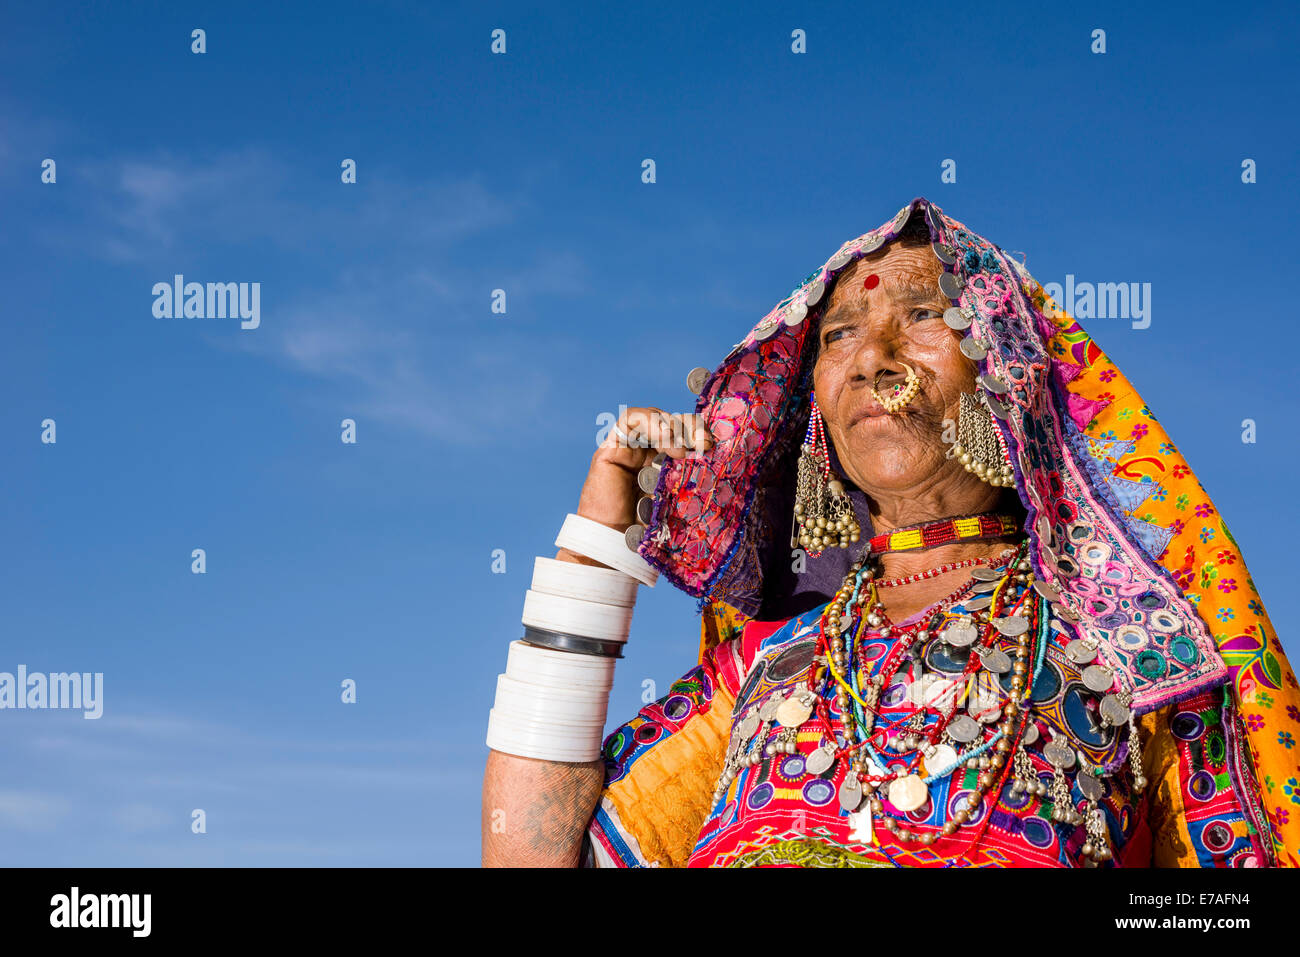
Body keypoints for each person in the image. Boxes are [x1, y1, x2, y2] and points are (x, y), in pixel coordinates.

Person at [482, 197, 1298, 868]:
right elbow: (529, 855)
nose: (873, 355)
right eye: (838, 333)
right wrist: (595, 544)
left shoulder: (1139, 650)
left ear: (1006, 369)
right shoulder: (769, 663)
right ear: (816, 415)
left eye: (922, 315)